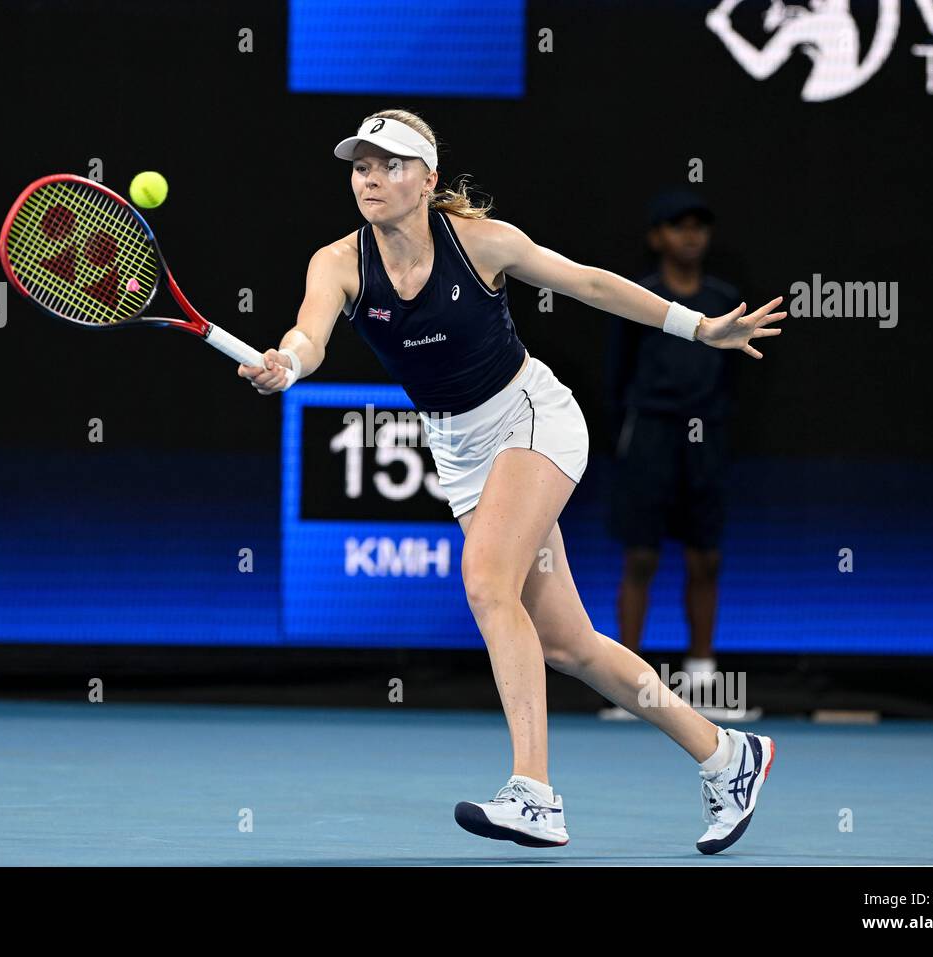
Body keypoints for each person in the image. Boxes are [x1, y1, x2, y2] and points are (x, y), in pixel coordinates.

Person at [238, 109, 783, 854]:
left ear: (428, 180)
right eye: (362, 164)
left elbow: (589, 283)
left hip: (532, 417)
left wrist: (699, 327)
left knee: (487, 582)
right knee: (571, 643)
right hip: (458, 451)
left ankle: (534, 791)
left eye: (391, 164)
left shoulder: (482, 243)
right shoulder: (336, 262)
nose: (371, 176)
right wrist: (288, 364)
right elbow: (309, 334)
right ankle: (726, 753)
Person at [604, 190, 750, 720]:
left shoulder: (725, 297)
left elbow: (732, 376)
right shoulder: (639, 298)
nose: (690, 235)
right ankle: (630, 689)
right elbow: (616, 375)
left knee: (705, 557)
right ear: (656, 237)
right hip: (649, 438)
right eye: (677, 225)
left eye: (699, 226)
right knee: (641, 556)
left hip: (707, 439)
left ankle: (705, 683)